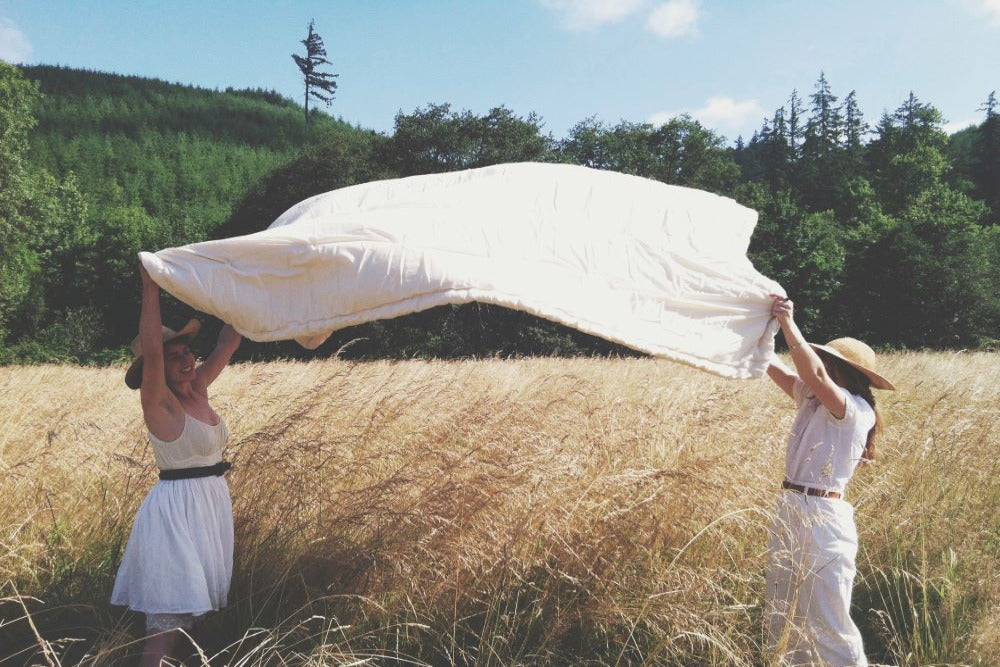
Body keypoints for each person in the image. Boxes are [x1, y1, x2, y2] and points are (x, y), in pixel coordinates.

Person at [111, 264, 242, 667]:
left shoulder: (199, 389)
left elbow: (229, 340)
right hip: (175, 514)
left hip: (208, 507)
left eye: (186, 350)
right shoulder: (159, 403)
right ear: (157, 370)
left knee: (188, 622)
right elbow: (152, 349)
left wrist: (244, 289)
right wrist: (150, 286)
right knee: (166, 626)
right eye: (173, 356)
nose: (185, 358)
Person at [764, 294, 894, 666]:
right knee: (783, 612)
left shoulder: (855, 410)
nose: (819, 363)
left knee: (828, 620)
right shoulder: (812, 397)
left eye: (826, 360)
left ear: (841, 370)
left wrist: (789, 325)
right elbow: (772, 367)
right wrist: (761, 330)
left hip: (824, 516)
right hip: (790, 506)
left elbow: (813, 375)